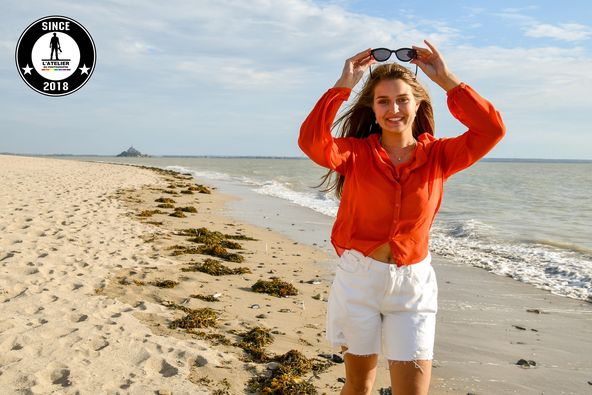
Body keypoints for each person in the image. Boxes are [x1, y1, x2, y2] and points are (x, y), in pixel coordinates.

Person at [298, 40, 505, 395]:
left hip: (413, 286)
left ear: (417, 103)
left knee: (413, 391)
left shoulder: (440, 155)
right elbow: (313, 141)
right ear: (373, 109)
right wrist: (343, 86)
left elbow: (491, 130)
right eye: (383, 101)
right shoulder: (355, 154)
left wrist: (447, 80)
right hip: (358, 282)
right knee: (359, 385)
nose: (393, 108)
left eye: (402, 99)